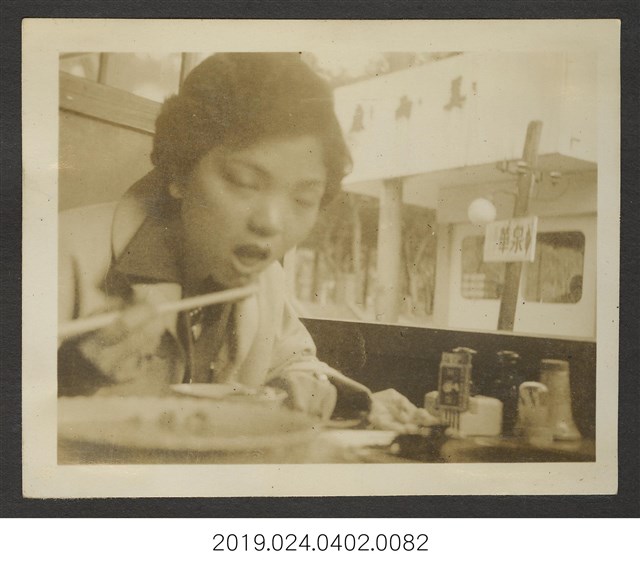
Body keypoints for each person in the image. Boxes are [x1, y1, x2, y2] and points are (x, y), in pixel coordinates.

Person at [58, 53, 435, 432]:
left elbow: (292, 361)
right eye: (244, 182)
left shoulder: (265, 277)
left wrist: (338, 398)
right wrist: (69, 380)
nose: (271, 222)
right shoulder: (56, 252)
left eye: (303, 199)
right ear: (179, 172)